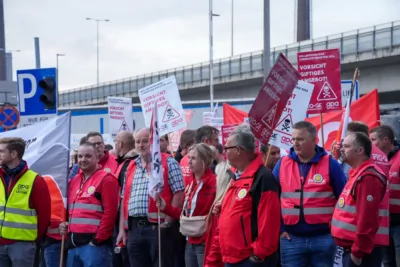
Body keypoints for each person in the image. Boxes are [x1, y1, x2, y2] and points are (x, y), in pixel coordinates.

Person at [273, 121, 346, 267]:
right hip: (291, 239)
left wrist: (336, 230)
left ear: (314, 140)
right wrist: (280, 229)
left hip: (324, 237)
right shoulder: (282, 164)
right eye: (293, 139)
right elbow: (271, 200)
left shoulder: (330, 164)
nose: (295, 143)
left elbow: (344, 200)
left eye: (300, 139)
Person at [206, 124, 280, 267]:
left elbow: (269, 222)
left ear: (238, 150)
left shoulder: (263, 178)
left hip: (251, 260)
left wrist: (258, 255)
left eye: (227, 148)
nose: (224, 152)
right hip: (232, 257)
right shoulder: (235, 177)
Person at [117, 128, 185, 267]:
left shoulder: (168, 162)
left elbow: (179, 193)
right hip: (134, 229)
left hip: (157, 228)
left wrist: (167, 222)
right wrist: (122, 230)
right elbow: (124, 198)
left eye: (145, 141)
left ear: (153, 142)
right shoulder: (131, 165)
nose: (140, 145)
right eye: (137, 142)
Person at [332, 132, 389, 267]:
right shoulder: (358, 173)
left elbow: (367, 220)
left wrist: (358, 253)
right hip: (355, 249)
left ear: (360, 150)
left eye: (346, 146)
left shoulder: (368, 178)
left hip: (362, 253)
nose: (341, 149)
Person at [59, 142, 120, 267]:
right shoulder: (74, 180)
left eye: (88, 156)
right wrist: (65, 224)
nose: (83, 160)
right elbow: (71, 210)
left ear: (97, 157)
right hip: (73, 245)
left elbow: (110, 213)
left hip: (94, 246)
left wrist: (97, 240)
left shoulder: (107, 179)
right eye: (80, 156)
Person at [156, 143, 217, 267]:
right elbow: (184, 216)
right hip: (190, 240)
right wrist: (165, 207)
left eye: (193, 158)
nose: (189, 162)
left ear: (204, 160)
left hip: (205, 242)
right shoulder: (191, 184)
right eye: (189, 158)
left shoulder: (214, 183)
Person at [0, 137, 51, 267]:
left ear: (13, 154)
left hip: (22, 245)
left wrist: (31, 240)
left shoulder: (35, 180)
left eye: (1, 151)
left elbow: (44, 216)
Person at [369, 125, 400, 267]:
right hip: (383, 223)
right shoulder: (375, 161)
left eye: (373, 140)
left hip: (398, 223)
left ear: (386, 140)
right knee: (387, 262)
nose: (370, 144)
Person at [113, 131, 137, 267]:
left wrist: (122, 227)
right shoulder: (128, 163)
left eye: (116, 141)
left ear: (120, 144)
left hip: (125, 222)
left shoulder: (127, 165)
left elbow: (123, 196)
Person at [204, 160, 233, 267]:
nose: (215, 178)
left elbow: (218, 240)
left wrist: (210, 263)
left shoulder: (221, 206)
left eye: (217, 175)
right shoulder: (218, 203)